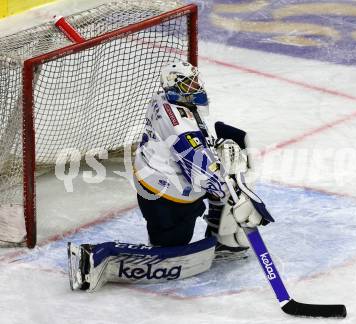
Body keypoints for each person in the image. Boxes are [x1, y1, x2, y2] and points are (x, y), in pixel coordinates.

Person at [67, 61, 271, 292]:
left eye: (196, 81)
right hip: (166, 196)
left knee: (228, 189)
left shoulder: (165, 97)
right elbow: (200, 170)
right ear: (175, 86)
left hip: (161, 180)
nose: (196, 87)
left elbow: (197, 146)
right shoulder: (179, 126)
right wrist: (232, 192)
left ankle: (223, 240)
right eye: (188, 83)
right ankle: (94, 257)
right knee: (170, 249)